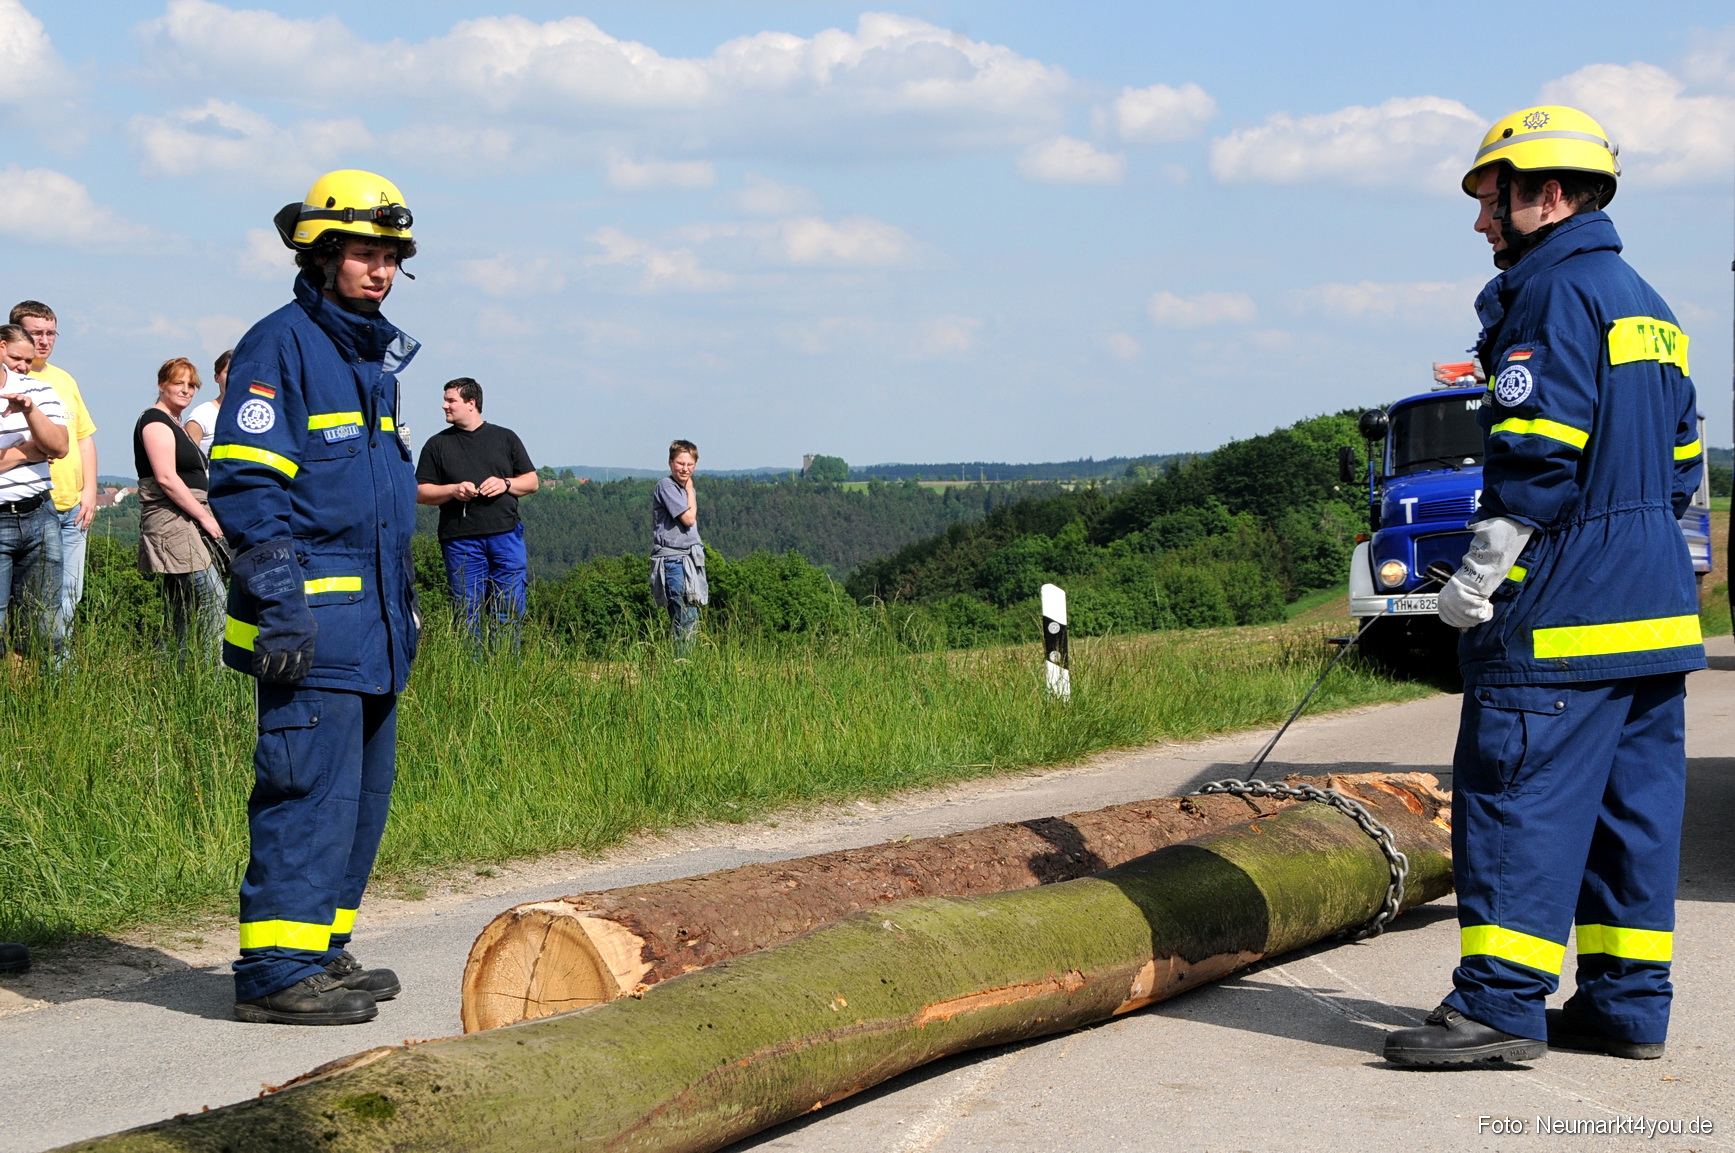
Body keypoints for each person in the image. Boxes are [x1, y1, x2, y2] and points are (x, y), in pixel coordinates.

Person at [1384, 107, 1703, 1066]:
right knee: (1627, 822)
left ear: (1547, 195)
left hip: (1562, 618)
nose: (1482, 223)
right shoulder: (1648, 303)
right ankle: (1624, 1005)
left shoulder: (1550, 295)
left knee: (1515, 800)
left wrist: (1475, 580)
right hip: (1650, 617)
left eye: (1490, 200)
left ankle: (1495, 1007)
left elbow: (1535, 455)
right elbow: (1683, 465)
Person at [208, 169, 421, 1026]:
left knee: (360, 801)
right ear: (323, 253)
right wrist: (280, 603)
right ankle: (273, 970)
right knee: (306, 794)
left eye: (392, 257)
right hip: (312, 626)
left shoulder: (368, 361)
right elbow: (249, 487)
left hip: (372, 632)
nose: (382, 271)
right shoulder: (280, 345)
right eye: (367, 254)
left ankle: (321, 951)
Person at [413, 378, 537, 646]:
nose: (444, 405)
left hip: (506, 537)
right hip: (460, 540)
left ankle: (505, 673)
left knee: (509, 612)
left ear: (471, 403)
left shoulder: (505, 437)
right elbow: (420, 492)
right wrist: (453, 490)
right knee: (466, 615)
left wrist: (505, 483)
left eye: (450, 400)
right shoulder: (437, 445)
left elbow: (531, 482)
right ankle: (471, 676)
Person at [11, 302, 96, 654]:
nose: (44, 341)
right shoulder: (13, 378)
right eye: (35, 333)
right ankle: (42, 676)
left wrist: (90, 490)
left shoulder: (64, 379)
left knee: (69, 597)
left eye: (50, 333)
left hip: (74, 507)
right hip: (35, 505)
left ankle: (59, 679)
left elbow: (83, 436)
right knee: (36, 604)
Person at [134, 357, 224, 657]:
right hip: (173, 522)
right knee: (212, 599)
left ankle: (174, 674)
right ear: (162, 385)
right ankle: (215, 676)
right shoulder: (154, 422)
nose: (186, 390)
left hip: (187, 519)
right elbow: (167, 478)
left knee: (181, 609)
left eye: (191, 385)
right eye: (178, 383)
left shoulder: (176, 424)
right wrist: (205, 518)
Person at [0, 325, 69, 662]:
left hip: (39, 514)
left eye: (29, 360)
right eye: (18, 358)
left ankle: (35, 705)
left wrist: (29, 410)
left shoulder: (38, 391)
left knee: (44, 625)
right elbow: (43, 449)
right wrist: (28, 450)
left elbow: (59, 445)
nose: (24, 366)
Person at [649, 439, 706, 651]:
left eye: (690, 464)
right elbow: (689, 519)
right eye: (680, 463)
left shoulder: (681, 489)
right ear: (671, 462)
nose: (685, 468)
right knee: (685, 619)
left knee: (690, 618)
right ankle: (681, 668)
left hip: (688, 560)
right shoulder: (666, 486)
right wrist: (690, 488)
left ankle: (684, 665)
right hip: (674, 561)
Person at [184, 348, 231, 456]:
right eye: (228, 371)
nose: (233, 376)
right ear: (217, 377)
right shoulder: (202, 415)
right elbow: (187, 460)